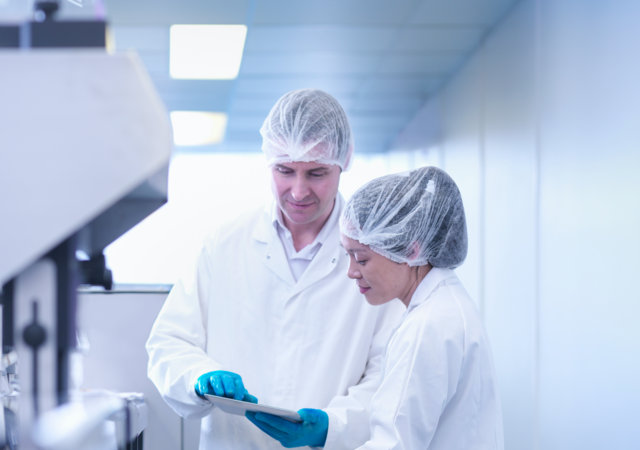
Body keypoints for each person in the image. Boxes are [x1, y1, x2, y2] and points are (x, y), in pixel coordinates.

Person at [146, 89, 405, 450]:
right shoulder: (226, 243)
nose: (298, 192)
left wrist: (333, 426)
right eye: (285, 170)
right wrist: (199, 376)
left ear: (343, 163)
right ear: (268, 162)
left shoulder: (375, 257)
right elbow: (169, 342)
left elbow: (389, 373)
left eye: (316, 173)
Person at [335, 166, 504, 449]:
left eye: (361, 259)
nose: (351, 272)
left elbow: (393, 444)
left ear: (410, 251)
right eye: (348, 256)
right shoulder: (443, 305)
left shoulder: (428, 326)